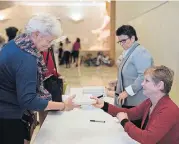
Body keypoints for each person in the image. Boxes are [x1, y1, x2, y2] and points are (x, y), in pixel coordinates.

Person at [0, 14, 78, 144]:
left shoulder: (16, 44)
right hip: (8, 116)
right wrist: (63, 106)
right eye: (48, 41)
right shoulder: (26, 57)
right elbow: (28, 100)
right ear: (36, 34)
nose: (49, 46)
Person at [92, 65, 179, 144]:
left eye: (147, 81)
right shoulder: (150, 102)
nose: (142, 84)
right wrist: (104, 105)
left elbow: (148, 138)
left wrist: (124, 122)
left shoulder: (169, 110)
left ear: (160, 85)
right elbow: (130, 113)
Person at [114, 25, 153, 127]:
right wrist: (119, 81)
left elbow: (143, 76)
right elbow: (128, 72)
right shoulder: (129, 51)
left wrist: (127, 92)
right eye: (120, 41)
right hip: (130, 100)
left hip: (138, 101)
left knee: (135, 130)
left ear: (133, 38)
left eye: (124, 40)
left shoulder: (140, 52)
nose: (121, 44)